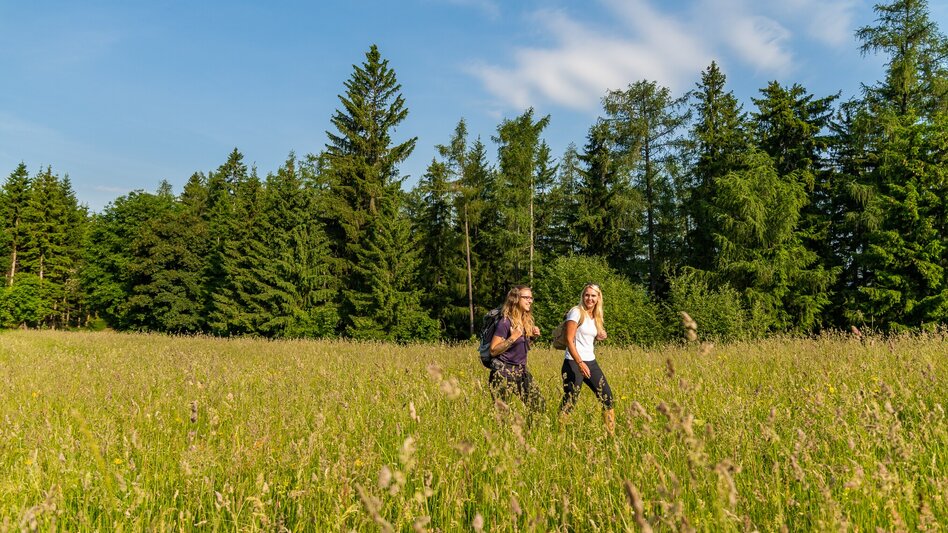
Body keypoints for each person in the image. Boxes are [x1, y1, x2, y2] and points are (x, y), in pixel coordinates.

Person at [560, 283, 615, 435]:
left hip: (591, 361)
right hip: (573, 361)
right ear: (583, 296)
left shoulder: (595, 315)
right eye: (587, 295)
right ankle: (560, 435)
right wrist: (579, 362)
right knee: (571, 400)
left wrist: (599, 336)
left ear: (598, 298)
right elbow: (569, 340)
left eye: (593, 295)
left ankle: (610, 437)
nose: (589, 298)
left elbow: (585, 337)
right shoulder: (576, 312)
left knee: (607, 398)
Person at [488, 285, 546, 419]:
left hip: (521, 372)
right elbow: (493, 350)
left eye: (531, 298)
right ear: (515, 299)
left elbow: (520, 349)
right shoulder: (505, 322)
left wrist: (531, 337)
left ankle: (529, 436)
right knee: (502, 417)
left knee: (539, 406)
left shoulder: (525, 320)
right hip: (503, 373)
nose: (530, 301)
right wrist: (512, 338)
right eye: (526, 297)